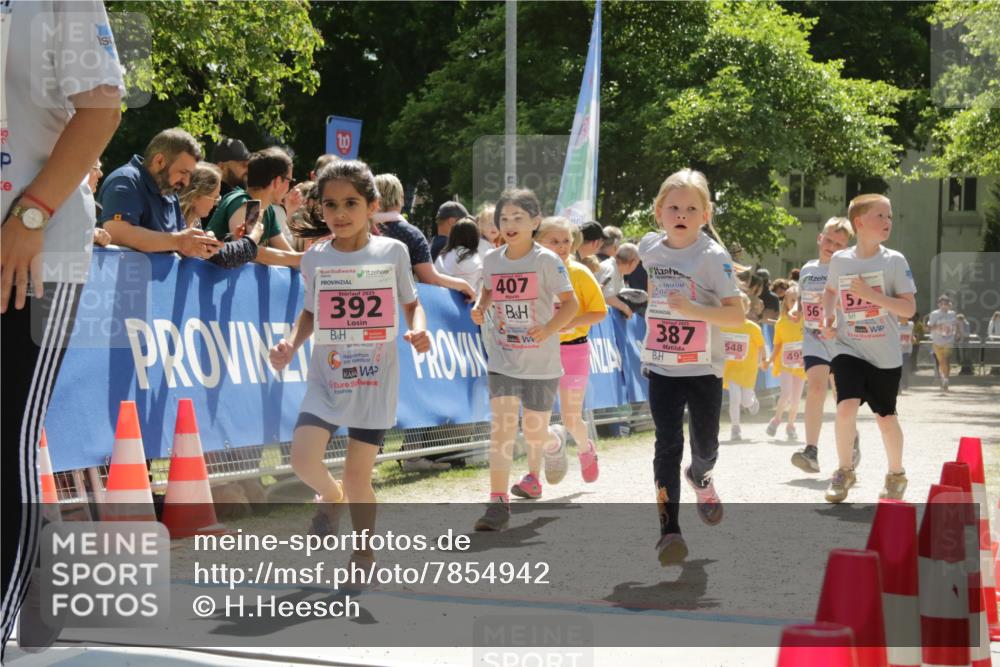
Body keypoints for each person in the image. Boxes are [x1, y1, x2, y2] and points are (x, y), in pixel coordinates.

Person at [1, 1, 123, 656]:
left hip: (34, 246)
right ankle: (42, 567)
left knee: (8, 430)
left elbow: (102, 108)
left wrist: (30, 215)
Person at [269, 160, 430, 576]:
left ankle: (363, 555)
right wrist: (291, 342)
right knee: (304, 459)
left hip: (375, 379)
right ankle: (330, 496)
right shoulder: (315, 258)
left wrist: (418, 331)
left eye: (350, 203)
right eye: (330, 205)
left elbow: (413, 305)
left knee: (360, 478)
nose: (340, 214)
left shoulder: (393, 251)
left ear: (372, 205)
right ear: (320, 209)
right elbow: (309, 312)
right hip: (327, 374)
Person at [639, 169, 744, 566]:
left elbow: (737, 315)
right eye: (674, 207)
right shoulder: (649, 248)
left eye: (691, 208)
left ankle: (701, 477)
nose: (681, 214)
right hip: (663, 366)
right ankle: (669, 531)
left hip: (703, 370)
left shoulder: (713, 257)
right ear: (659, 212)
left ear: (705, 214)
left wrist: (694, 311)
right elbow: (645, 283)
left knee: (706, 447)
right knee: (666, 444)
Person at [471, 189, 578, 531]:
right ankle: (497, 504)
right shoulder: (492, 260)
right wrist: (481, 304)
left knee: (533, 433)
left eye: (519, 218)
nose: (510, 224)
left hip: (541, 363)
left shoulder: (547, 261)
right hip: (503, 357)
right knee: (502, 428)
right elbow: (488, 288)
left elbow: (571, 304)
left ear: (535, 222)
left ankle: (554, 440)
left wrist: (548, 329)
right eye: (504, 219)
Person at [822, 193, 916, 503]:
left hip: (884, 356)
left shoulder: (894, 261)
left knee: (885, 419)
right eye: (881, 216)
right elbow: (831, 290)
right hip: (849, 347)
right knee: (845, 406)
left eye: (890, 216)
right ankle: (844, 471)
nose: (888, 221)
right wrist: (829, 315)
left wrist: (870, 295)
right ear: (859, 223)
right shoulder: (841, 260)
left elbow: (908, 309)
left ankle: (896, 475)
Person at [536, 217, 607, 484]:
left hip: (574, 351)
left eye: (566, 241)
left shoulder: (579, 273)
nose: (562, 246)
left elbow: (600, 312)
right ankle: (550, 449)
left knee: (570, 417)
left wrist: (567, 322)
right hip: (540, 351)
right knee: (534, 417)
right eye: (554, 241)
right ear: (538, 242)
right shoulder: (532, 271)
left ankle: (586, 448)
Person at [791, 217, 857, 474]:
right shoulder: (807, 269)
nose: (831, 246)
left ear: (846, 247)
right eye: (828, 240)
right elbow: (801, 295)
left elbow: (854, 303)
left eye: (839, 244)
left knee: (843, 399)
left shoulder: (848, 269)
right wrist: (798, 308)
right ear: (820, 238)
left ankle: (851, 441)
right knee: (816, 388)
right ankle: (811, 450)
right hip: (814, 338)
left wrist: (833, 302)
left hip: (841, 340)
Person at [99, 128, 223, 259]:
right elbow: (117, 233)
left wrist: (200, 244)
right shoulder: (126, 180)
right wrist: (179, 241)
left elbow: (178, 242)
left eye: (190, 175)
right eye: (183, 172)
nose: (186, 183)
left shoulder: (169, 192)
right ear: (159, 161)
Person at [373, 174, 476, 302]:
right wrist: (463, 285)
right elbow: (431, 279)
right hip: (399, 308)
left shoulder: (357, 232)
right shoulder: (411, 235)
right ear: (401, 198)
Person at [205, 147, 301, 267]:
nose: (290, 188)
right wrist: (301, 259)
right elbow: (249, 252)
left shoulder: (268, 209)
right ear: (277, 181)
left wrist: (303, 260)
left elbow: (288, 253)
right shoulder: (244, 202)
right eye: (290, 182)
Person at [178, 163, 261, 269]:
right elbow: (225, 257)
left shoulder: (194, 222)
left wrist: (230, 238)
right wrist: (252, 238)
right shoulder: (178, 226)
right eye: (214, 197)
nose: (216, 203)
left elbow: (216, 255)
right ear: (195, 196)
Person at [764, 284, 806, 441]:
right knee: (786, 394)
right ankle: (776, 420)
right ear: (786, 302)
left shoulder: (806, 321)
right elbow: (777, 345)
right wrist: (769, 360)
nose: (796, 304)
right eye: (792, 300)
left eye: (799, 300)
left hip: (800, 366)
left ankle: (791, 426)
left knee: (795, 400)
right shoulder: (781, 323)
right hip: (786, 364)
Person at [721, 294, 765, 441]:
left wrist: (764, 359)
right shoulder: (723, 324)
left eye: (741, 307)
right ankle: (735, 428)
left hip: (748, 370)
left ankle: (752, 401)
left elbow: (761, 346)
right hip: (731, 369)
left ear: (746, 308)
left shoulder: (753, 328)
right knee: (735, 399)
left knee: (745, 401)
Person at [434, 217, 483, 293]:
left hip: (440, 298)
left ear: (452, 235)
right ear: (475, 237)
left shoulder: (442, 255)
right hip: (465, 302)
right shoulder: (475, 258)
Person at [595, 242, 641, 319]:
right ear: (633, 263)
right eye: (637, 264)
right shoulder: (610, 268)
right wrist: (625, 308)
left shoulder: (617, 269)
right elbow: (606, 297)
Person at [927, 294, 958, 392]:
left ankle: (946, 381)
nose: (944, 305)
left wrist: (957, 333)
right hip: (937, 341)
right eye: (942, 303)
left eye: (946, 303)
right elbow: (929, 328)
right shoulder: (934, 314)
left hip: (949, 340)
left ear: (949, 304)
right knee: (941, 362)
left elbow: (955, 325)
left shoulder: (952, 314)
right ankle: (943, 378)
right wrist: (938, 326)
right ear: (939, 304)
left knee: (946, 360)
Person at [88, 160, 112, 247]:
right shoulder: (58, 203)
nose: (101, 174)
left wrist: (94, 234)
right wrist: (90, 234)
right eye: (96, 168)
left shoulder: (96, 209)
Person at [899, 314, 915, 391]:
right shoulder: (896, 325)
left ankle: (905, 384)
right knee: (899, 368)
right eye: (901, 317)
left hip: (907, 350)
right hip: (897, 350)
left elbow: (912, 334)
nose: (903, 318)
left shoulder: (911, 325)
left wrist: (913, 338)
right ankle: (899, 385)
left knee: (905, 368)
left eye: (905, 317)